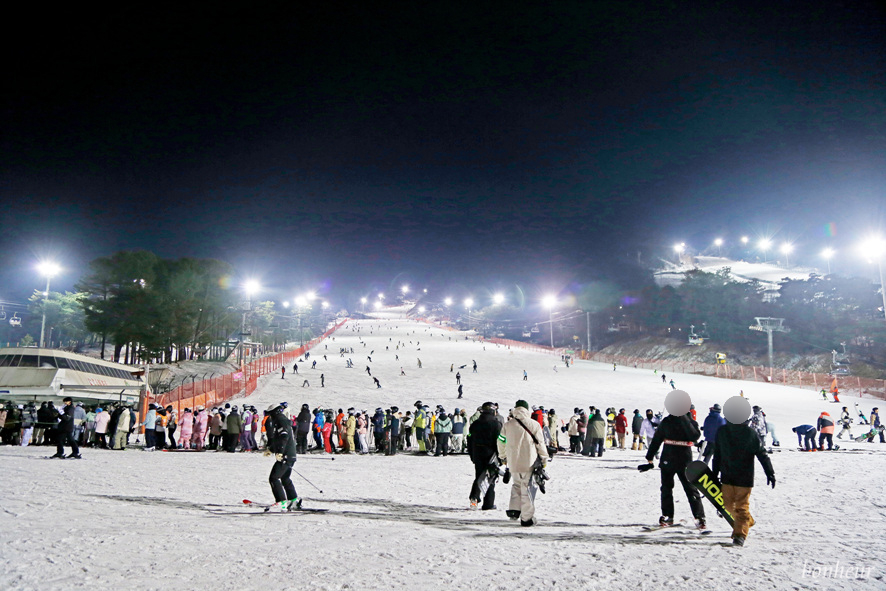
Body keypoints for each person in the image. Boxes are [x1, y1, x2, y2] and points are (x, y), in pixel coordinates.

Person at [712, 401, 776, 547]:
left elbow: (762, 454)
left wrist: (770, 472)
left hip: (744, 477)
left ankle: (740, 535)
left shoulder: (750, 433)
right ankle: (747, 520)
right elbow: (717, 454)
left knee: (741, 507)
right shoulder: (722, 432)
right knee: (727, 506)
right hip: (727, 475)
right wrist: (714, 473)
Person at [644, 408, 705, 529]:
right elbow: (657, 439)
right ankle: (667, 515)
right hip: (668, 459)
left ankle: (699, 517)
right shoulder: (667, 421)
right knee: (666, 489)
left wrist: (684, 418)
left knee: (690, 489)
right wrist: (649, 456)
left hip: (684, 460)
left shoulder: (690, 422)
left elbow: (695, 436)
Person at [497, 400, 549, 527]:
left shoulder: (508, 425)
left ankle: (514, 510)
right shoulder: (534, 424)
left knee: (516, 485)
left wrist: (503, 456)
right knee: (527, 489)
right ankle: (526, 519)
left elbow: (501, 441)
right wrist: (544, 458)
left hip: (513, 462)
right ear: (526, 410)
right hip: (529, 462)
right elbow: (540, 443)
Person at [264, 403, 300, 512]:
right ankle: (293, 500)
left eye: (270, 414)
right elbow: (279, 439)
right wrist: (271, 449)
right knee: (285, 478)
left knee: (274, 478)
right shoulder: (282, 420)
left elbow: (284, 437)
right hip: (290, 454)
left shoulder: (280, 421)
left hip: (286, 455)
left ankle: (281, 502)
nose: (269, 417)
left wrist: (280, 452)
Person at [468, 402, 502, 510]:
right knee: (490, 477)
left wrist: (472, 454)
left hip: (478, 452)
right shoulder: (496, 424)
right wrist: (500, 456)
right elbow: (500, 441)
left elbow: (469, 439)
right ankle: (488, 503)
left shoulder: (475, 424)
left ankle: (474, 497)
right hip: (491, 454)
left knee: (479, 475)